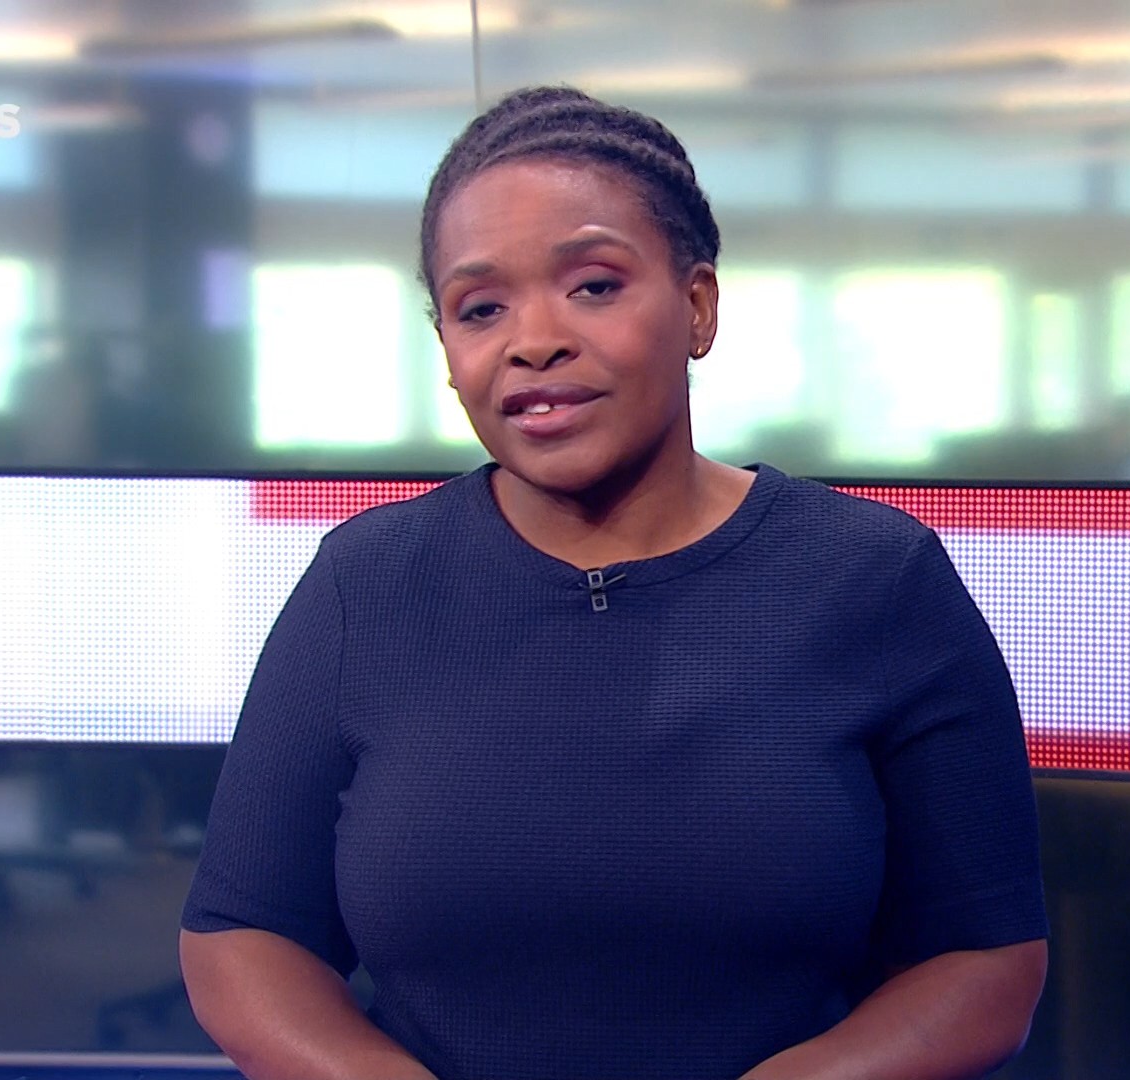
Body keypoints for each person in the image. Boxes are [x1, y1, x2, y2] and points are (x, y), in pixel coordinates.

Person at [179, 86, 1048, 1080]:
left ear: (698, 306)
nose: (533, 340)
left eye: (593, 286)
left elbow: (985, 964)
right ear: (448, 350)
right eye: (481, 308)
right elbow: (241, 939)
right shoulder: (364, 584)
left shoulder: (876, 578)